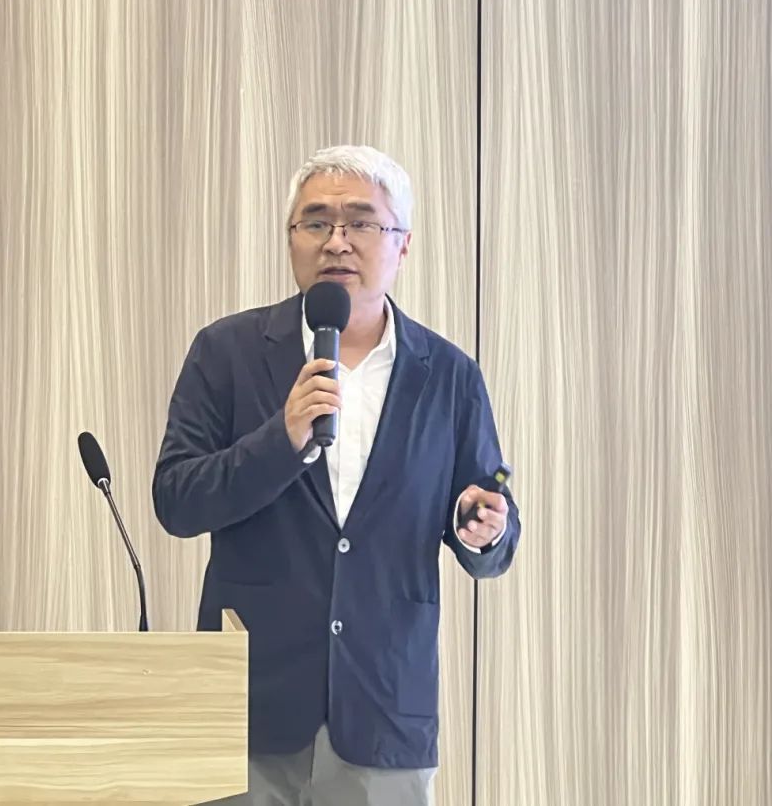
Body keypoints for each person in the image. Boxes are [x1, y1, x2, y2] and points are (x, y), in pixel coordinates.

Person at [152, 145, 520, 805]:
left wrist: (484, 528)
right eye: (316, 222)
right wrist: (282, 439)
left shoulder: (448, 374)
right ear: (291, 237)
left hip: (384, 708)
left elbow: (488, 517)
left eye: (362, 222)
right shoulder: (227, 352)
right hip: (248, 705)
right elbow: (177, 501)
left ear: (402, 244)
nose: (337, 242)